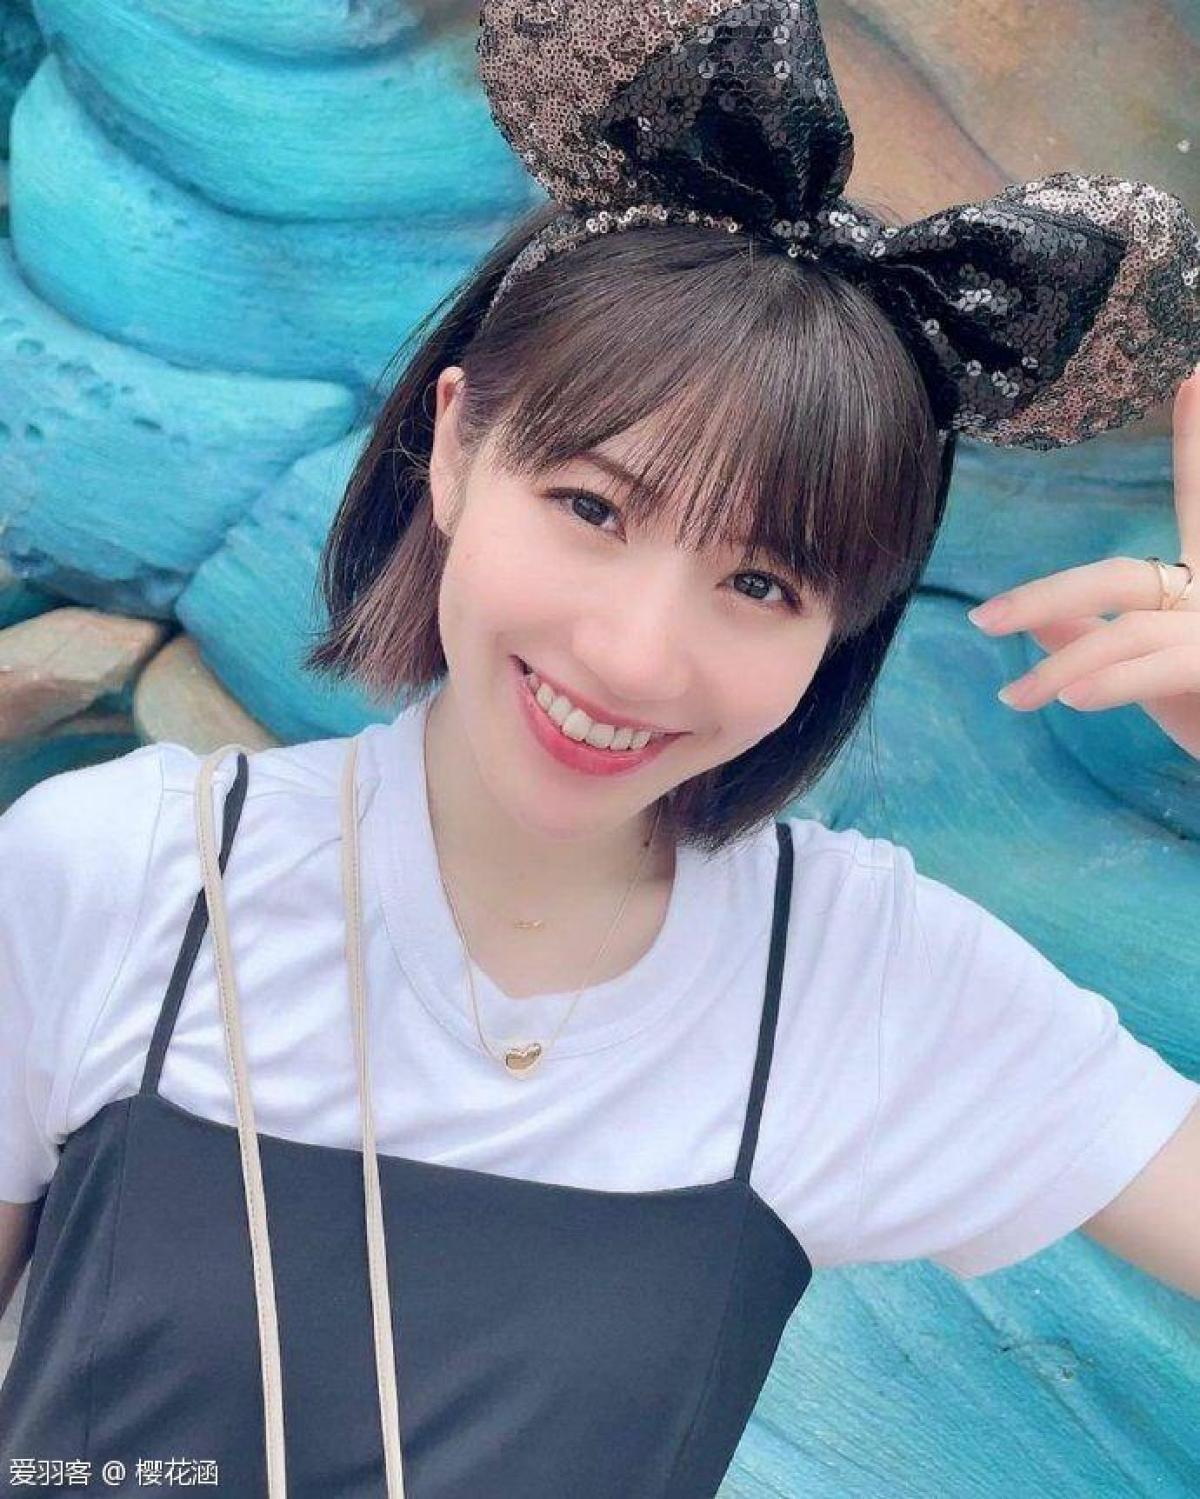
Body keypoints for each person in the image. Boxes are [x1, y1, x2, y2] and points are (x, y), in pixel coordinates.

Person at [2, 3, 1199, 1496]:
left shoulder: (859, 981)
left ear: (844, 629)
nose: (636, 654)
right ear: (455, 446)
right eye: (592, 509)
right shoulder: (115, 875)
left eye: (761, 584)